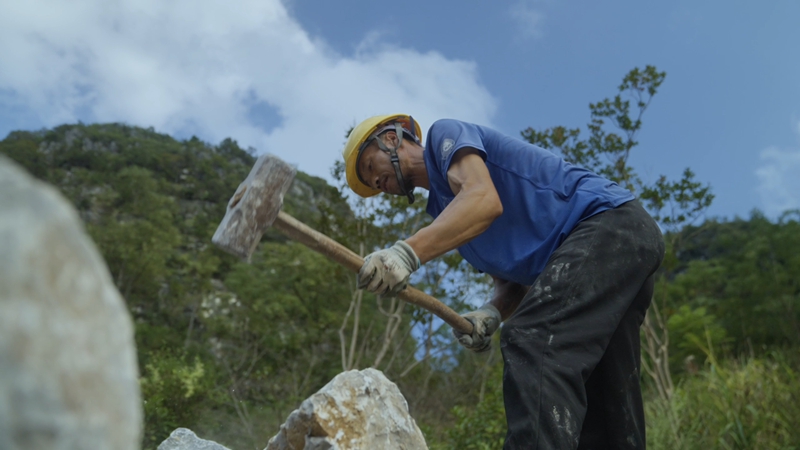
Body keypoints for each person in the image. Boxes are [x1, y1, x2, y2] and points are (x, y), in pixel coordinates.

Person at [341, 114, 665, 449]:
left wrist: (406, 254)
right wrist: (491, 313)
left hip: (608, 225)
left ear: (391, 140)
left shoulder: (445, 137)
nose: (374, 183)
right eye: (369, 184)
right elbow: (513, 286)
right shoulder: (447, 217)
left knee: (534, 341)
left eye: (369, 166)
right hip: (610, 256)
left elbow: (483, 200)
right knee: (605, 395)